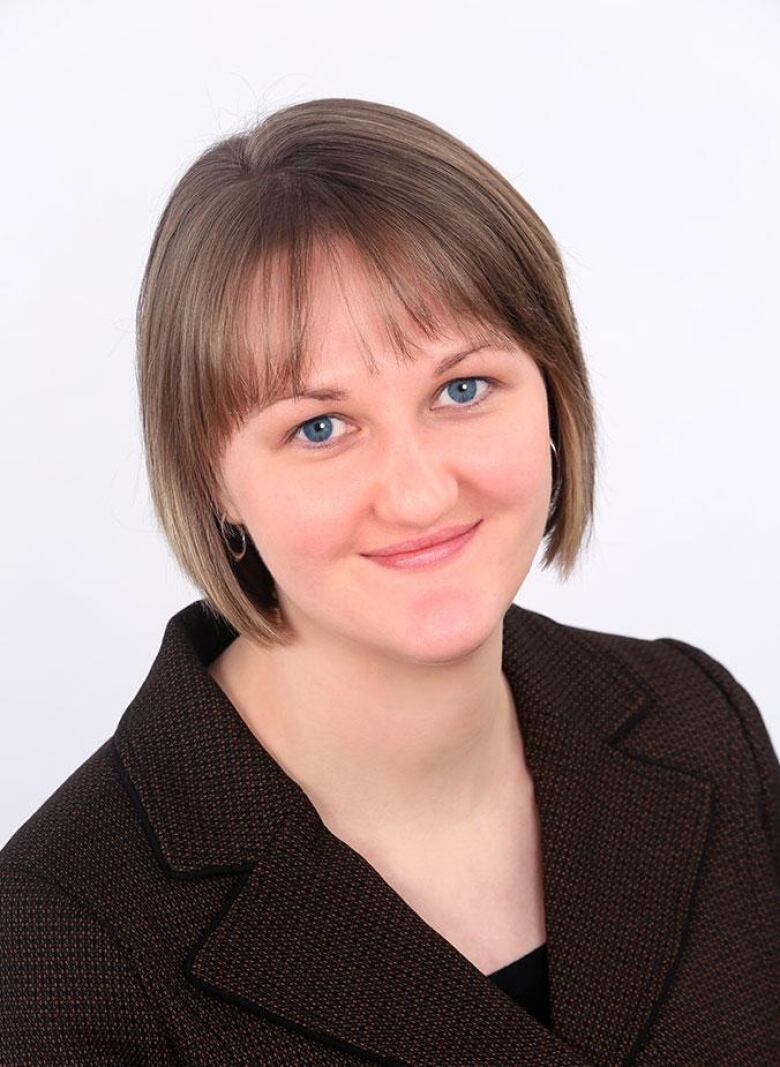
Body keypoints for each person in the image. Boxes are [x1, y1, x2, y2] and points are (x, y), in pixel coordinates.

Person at [0, 98, 777, 1066]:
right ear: (212, 480)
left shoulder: (694, 720)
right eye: (318, 426)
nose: (417, 493)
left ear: (553, 392)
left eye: (462, 389)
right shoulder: (59, 936)